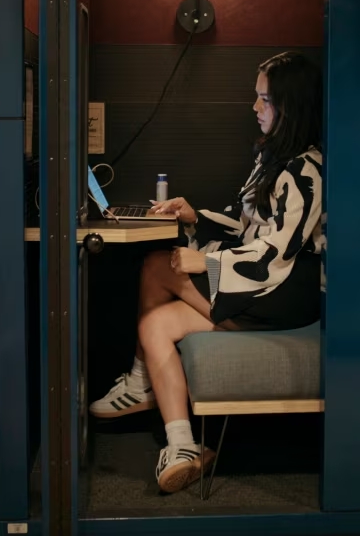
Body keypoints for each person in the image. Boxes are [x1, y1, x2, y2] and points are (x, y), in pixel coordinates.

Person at [89, 51, 326, 494]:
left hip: (289, 290)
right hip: (266, 285)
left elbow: (281, 248)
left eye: (265, 100)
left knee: (158, 265)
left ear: (291, 106)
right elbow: (250, 222)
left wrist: (210, 261)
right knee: (154, 321)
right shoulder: (275, 159)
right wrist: (195, 215)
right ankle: (183, 446)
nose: (255, 108)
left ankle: (141, 383)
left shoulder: (306, 169)